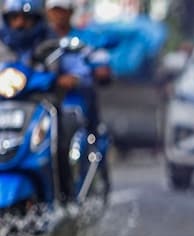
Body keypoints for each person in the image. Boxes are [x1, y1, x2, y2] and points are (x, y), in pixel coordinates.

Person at [0, 0, 93, 204]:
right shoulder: (2, 42)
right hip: (6, 109)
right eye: (14, 18)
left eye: (25, 18)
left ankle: (66, 196)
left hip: (42, 107)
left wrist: (68, 78)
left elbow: (79, 70)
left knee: (63, 133)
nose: (19, 24)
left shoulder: (52, 43)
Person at [46, 0, 111, 137]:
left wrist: (98, 71)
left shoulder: (86, 38)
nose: (58, 15)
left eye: (62, 10)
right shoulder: (40, 37)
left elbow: (101, 64)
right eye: (55, 10)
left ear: (71, 12)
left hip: (76, 95)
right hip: (45, 95)